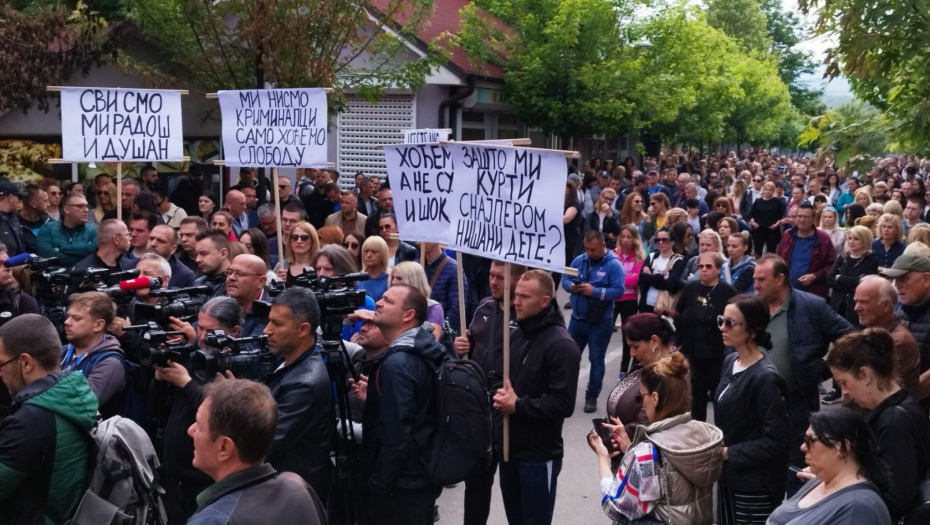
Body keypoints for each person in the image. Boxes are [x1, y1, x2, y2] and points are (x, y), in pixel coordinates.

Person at [752, 254, 853, 495]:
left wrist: (823, 370)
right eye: (755, 279)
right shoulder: (752, 307)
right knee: (763, 461)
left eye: (761, 279)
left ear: (780, 279)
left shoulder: (812, 306)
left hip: (795, 401)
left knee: (796, 465)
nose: (755, 284)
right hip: (756, 401)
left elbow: (849, 338)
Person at [592, 353, 724, 525]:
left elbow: (616, 506)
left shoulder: (646, 453)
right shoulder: (706, 435)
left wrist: (602, 457)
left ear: (654, 398)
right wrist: (631, 450)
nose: (641, 404)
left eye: (641, 397)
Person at [494, 270, 580, 525]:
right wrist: (497, 393)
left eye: (523, 297)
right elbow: (499, 374)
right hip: (509, 449)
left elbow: (562, 403)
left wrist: (517, 406)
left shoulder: (562, 345)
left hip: (538, 455)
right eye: (515, 295)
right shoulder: (517, 333)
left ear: (544, 301)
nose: (516, 302)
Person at [0, 314, 98, 525]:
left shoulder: (31, 420)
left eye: (2, 364)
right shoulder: (70, 394)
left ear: (25, 363)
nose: (1, 373)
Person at [151, 297, 241, 524]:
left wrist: (187, 383)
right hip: (174, 476)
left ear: (234, 331)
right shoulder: (192, 358)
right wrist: (160, 379)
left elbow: (225, 417)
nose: (201, 337)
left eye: (210, 331)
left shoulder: (239, 366)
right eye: (199, 328)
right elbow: (155, 408)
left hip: (206, 481)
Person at [186, 380, 325, 525]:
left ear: (224, 448)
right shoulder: (298, 489)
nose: (191, 430)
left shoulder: (213, 520)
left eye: (200, 426)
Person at [826, 329, 929, 521]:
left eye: (844, 382)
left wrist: (839, 486)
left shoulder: (893, 422)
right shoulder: (897, 406)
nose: (845, 392)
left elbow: (897, 498)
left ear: (865, 375)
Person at [366, 284, 447, 524]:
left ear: (408, 315)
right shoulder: (422, 348)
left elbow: (396, 434)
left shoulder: (398, 364)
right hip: (418, 479)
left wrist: (379, 482)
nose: (378, 302)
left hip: (401, 488)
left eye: (388, 301)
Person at [452, 260, 525, 525]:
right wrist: (463, 346)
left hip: (510, 413)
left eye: (500, 277)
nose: (493, 281)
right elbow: (470, 350)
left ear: (517, 279)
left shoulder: (525, 314)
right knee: (477, 484)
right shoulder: (483, 307)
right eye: (491, 276)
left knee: (512, 489)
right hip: (480, 412)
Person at [714, 294, 789, 525]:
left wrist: (727, 453)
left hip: (754, 486)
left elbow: (776, 442)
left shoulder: (765, 378)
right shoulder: (730, 361)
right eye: (721, 320)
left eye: (731, 323)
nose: (722, 328)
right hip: (729, 477)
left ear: (752, 331)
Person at [768, 409, 892, 525]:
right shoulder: (821, 480)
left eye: (810, 440)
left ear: (841, 448)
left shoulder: (859, 507)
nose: (803, 447)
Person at [562, 230, 625, 412]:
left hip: (599, 322)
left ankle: (592, 396)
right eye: (587, 248)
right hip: (577, 319)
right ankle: (565, 394)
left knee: (596, 360)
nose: (589, 252)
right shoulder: (579, 260)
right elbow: (566, 279)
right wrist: (571, 287)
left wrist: (595, 291)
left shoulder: (614, 265)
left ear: (603, 246)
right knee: (567, 358)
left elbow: (619, 291)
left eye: (593, 249)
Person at [676, 251, 737, 422]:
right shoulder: (690, 288)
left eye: (708, 267)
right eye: (700, 266)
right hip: (692, 353)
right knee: (696, 397)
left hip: (718, 355)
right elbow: (679, 315)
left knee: (720, 398)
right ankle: (698, 433)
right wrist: (679, 342)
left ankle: (721, 435)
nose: (703, 270)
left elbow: (737, 320)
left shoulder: (727, 292)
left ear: (718, 269)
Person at [600, 313, 675, 451]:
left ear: (654, 341)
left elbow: (645, 424)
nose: (632, 354)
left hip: (643, 458)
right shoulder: (648, 365)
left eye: (635, 347)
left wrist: (606, 434)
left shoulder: (670, 375)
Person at [61, 291, 133, 419]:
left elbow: (79, 406)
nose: (67, 322)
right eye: (68, 316)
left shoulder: (111, 363)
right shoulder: (62, 352)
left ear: (98, 325)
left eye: (76, 318)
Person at [882, 252, 930, 398]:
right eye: (895, 279)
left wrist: (901, 398)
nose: (897, 285)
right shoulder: (901, 309)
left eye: (904, 278)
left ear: (926, 279)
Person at [776, 202, 837, 296]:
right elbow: (778, 260)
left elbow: (832, 265)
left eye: (806, 217)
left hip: (813, 292)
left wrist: (815, 276)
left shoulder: (823, 238)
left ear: (813, 219)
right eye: (799, 216)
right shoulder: (787, 235)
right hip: (787, 291)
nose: (802, 220)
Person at [827, 225, 879, 327]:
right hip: (838, 305)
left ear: (864, 240)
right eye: (850, 238)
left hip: (857, 308)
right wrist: (852, 284)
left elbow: (865, 284)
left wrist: (840, 278)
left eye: (856, 239)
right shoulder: (843, 258)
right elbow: (829, 280)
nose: (851, 241)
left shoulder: (871, 260)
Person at [613, 225, 645, 368]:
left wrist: (617, 279)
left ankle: (624, 368)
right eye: (623, 236)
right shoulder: (613, 255)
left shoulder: (639, 258)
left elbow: (635, 280)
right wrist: (625, 277)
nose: (625, 240)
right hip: (613, 299)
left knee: (627, 336)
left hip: (629, 301)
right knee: (605, 332)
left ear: (635, 240)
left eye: (629, 237)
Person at [36, 193, 97, 266]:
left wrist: (62, 248)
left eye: (87, 206)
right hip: (54, 275)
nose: (86, 210)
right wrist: (85, 260)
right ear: (66, 209)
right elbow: (45, 253)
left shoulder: (93, 230)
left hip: (84, 275)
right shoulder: (48, 228)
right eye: (80, 206)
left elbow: (96, 250)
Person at [639, 227, 687, 314]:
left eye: (665, 240)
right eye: (658, 240)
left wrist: (650, 276)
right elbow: (642, 277)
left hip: (665, 306)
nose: (660, 242)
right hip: (646, 304)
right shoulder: (651, 256)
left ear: (673, 241)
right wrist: (661, 277)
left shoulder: (679, 260)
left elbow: (671, 285)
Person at [422, 242, 466, 332]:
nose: (419, 242)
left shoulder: (454, 269)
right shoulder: (416, 266)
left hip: (440, 334)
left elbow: (456, 307)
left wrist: (444, 333)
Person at [225, 254, 270, 337]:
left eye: (240, 273)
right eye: (229, 272)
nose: (231, 277)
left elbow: (253, 347)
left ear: (261, 281)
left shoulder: (270, 311)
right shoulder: (220, 303)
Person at [275, 221, 320, 286]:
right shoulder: (282, 266)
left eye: (304, 237)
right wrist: (276, 281)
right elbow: (270, 293)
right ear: (290, 241)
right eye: (295, 237)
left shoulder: (319, 267)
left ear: (313, 242)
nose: (299, 241)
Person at [194, 230, 231, 297]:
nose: (197, 260)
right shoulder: (198, 283)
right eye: (197, 254)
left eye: (204, 253)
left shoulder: (234, 285)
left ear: (223, 254)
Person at [18, 184, 50, 254]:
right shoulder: (15, 225)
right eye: (45, 201)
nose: (48, 204)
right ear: (33, 204)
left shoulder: (49, 222)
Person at [359, 235, 390, 302]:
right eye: (366, 251)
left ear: (383, 254)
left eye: (374, 252)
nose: (369, 255)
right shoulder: (357, 278)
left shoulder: (391, 278)